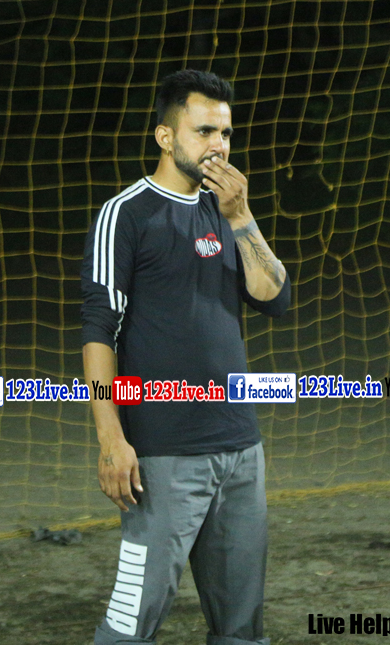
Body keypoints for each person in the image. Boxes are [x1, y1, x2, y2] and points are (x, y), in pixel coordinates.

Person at [81, 69, 290, 645]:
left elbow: (275, 298)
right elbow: (98, 331)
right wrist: (111, 439)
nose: (218, 145)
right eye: (204, 132)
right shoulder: (127, 214)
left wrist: (241, 217)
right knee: (131, 627)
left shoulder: (226, 212)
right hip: (164, 454)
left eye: (225, 133)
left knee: (242, 629)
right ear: (165, 136)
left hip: (240, 448)